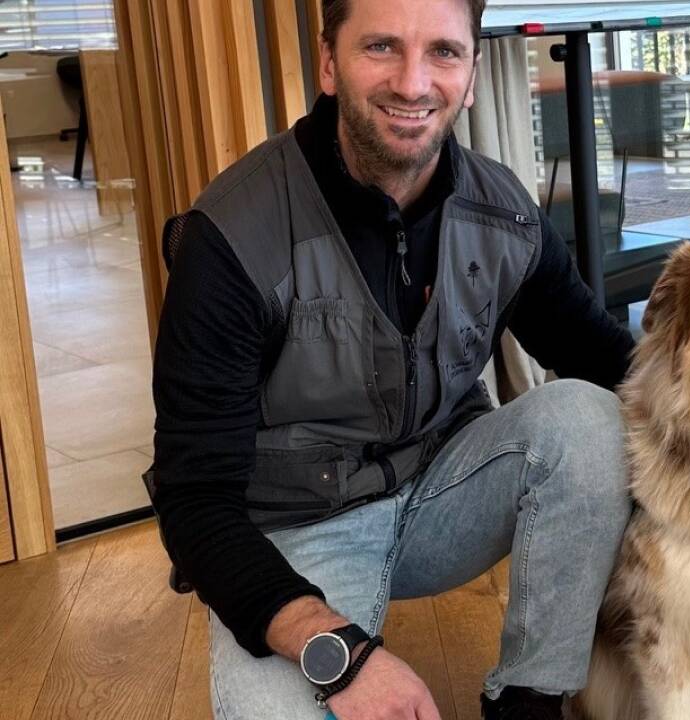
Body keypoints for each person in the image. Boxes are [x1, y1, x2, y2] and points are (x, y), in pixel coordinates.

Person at [145, 0, 636, 717]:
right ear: (328, 63)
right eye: (380, 46)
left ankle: (528, 702)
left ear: (471, 74)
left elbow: (609, 360)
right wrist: (336, 649)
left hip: (447, 488)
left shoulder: (505, 213)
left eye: (443, 51)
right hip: (296, 530)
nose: (413, 83)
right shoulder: (228, 237)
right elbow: (195, 505)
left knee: (590, 418)